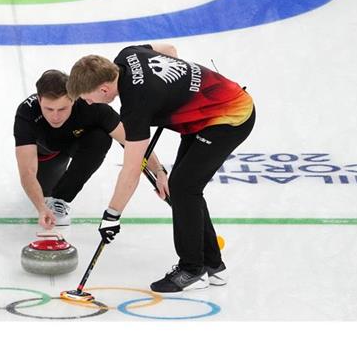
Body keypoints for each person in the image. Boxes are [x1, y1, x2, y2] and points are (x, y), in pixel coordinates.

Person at [67, 43, 255, 292]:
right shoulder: (127, 55)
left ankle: (192, 270)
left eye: (88, 98)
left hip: (230, 117)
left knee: (184, 188)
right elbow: (170, 50)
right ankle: (213, 266)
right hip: (204, 113)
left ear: (104, 89)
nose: (89, 103)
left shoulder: (136, 105)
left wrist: (112, 216)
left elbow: (131, 170)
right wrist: (170, 93)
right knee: (183, 189)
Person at [13, 70, 167, 229]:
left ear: (73, 99)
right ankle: (50, 194)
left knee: (101, 137)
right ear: (39, 100)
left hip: (76, 144)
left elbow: (133, 142)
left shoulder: (91, 105)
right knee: (42, 193)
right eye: (49, 109)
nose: (55, 117)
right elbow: (27, 172)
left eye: (62, 109)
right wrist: (41, 207)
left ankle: (60, 199)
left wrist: (159, 171)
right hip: (47, 155)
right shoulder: (27, 112)